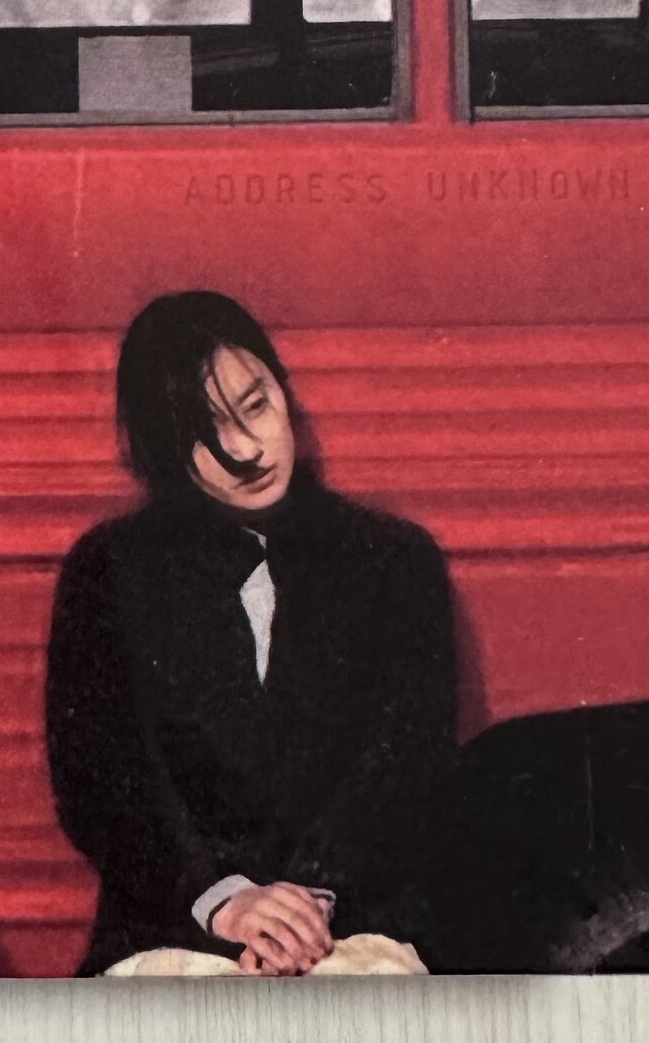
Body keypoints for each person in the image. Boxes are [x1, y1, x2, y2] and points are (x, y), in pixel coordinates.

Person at [44, 291, 455, 977]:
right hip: (175, 931)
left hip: (352, 929)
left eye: (256, 406)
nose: (244, 450)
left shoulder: (393, 561)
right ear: (163, 449)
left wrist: (307, 903)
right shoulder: (108, 572)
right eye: (204, 431)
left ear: (284, 395)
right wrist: (224, 901)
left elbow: (405, 766)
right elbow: (101, 784)